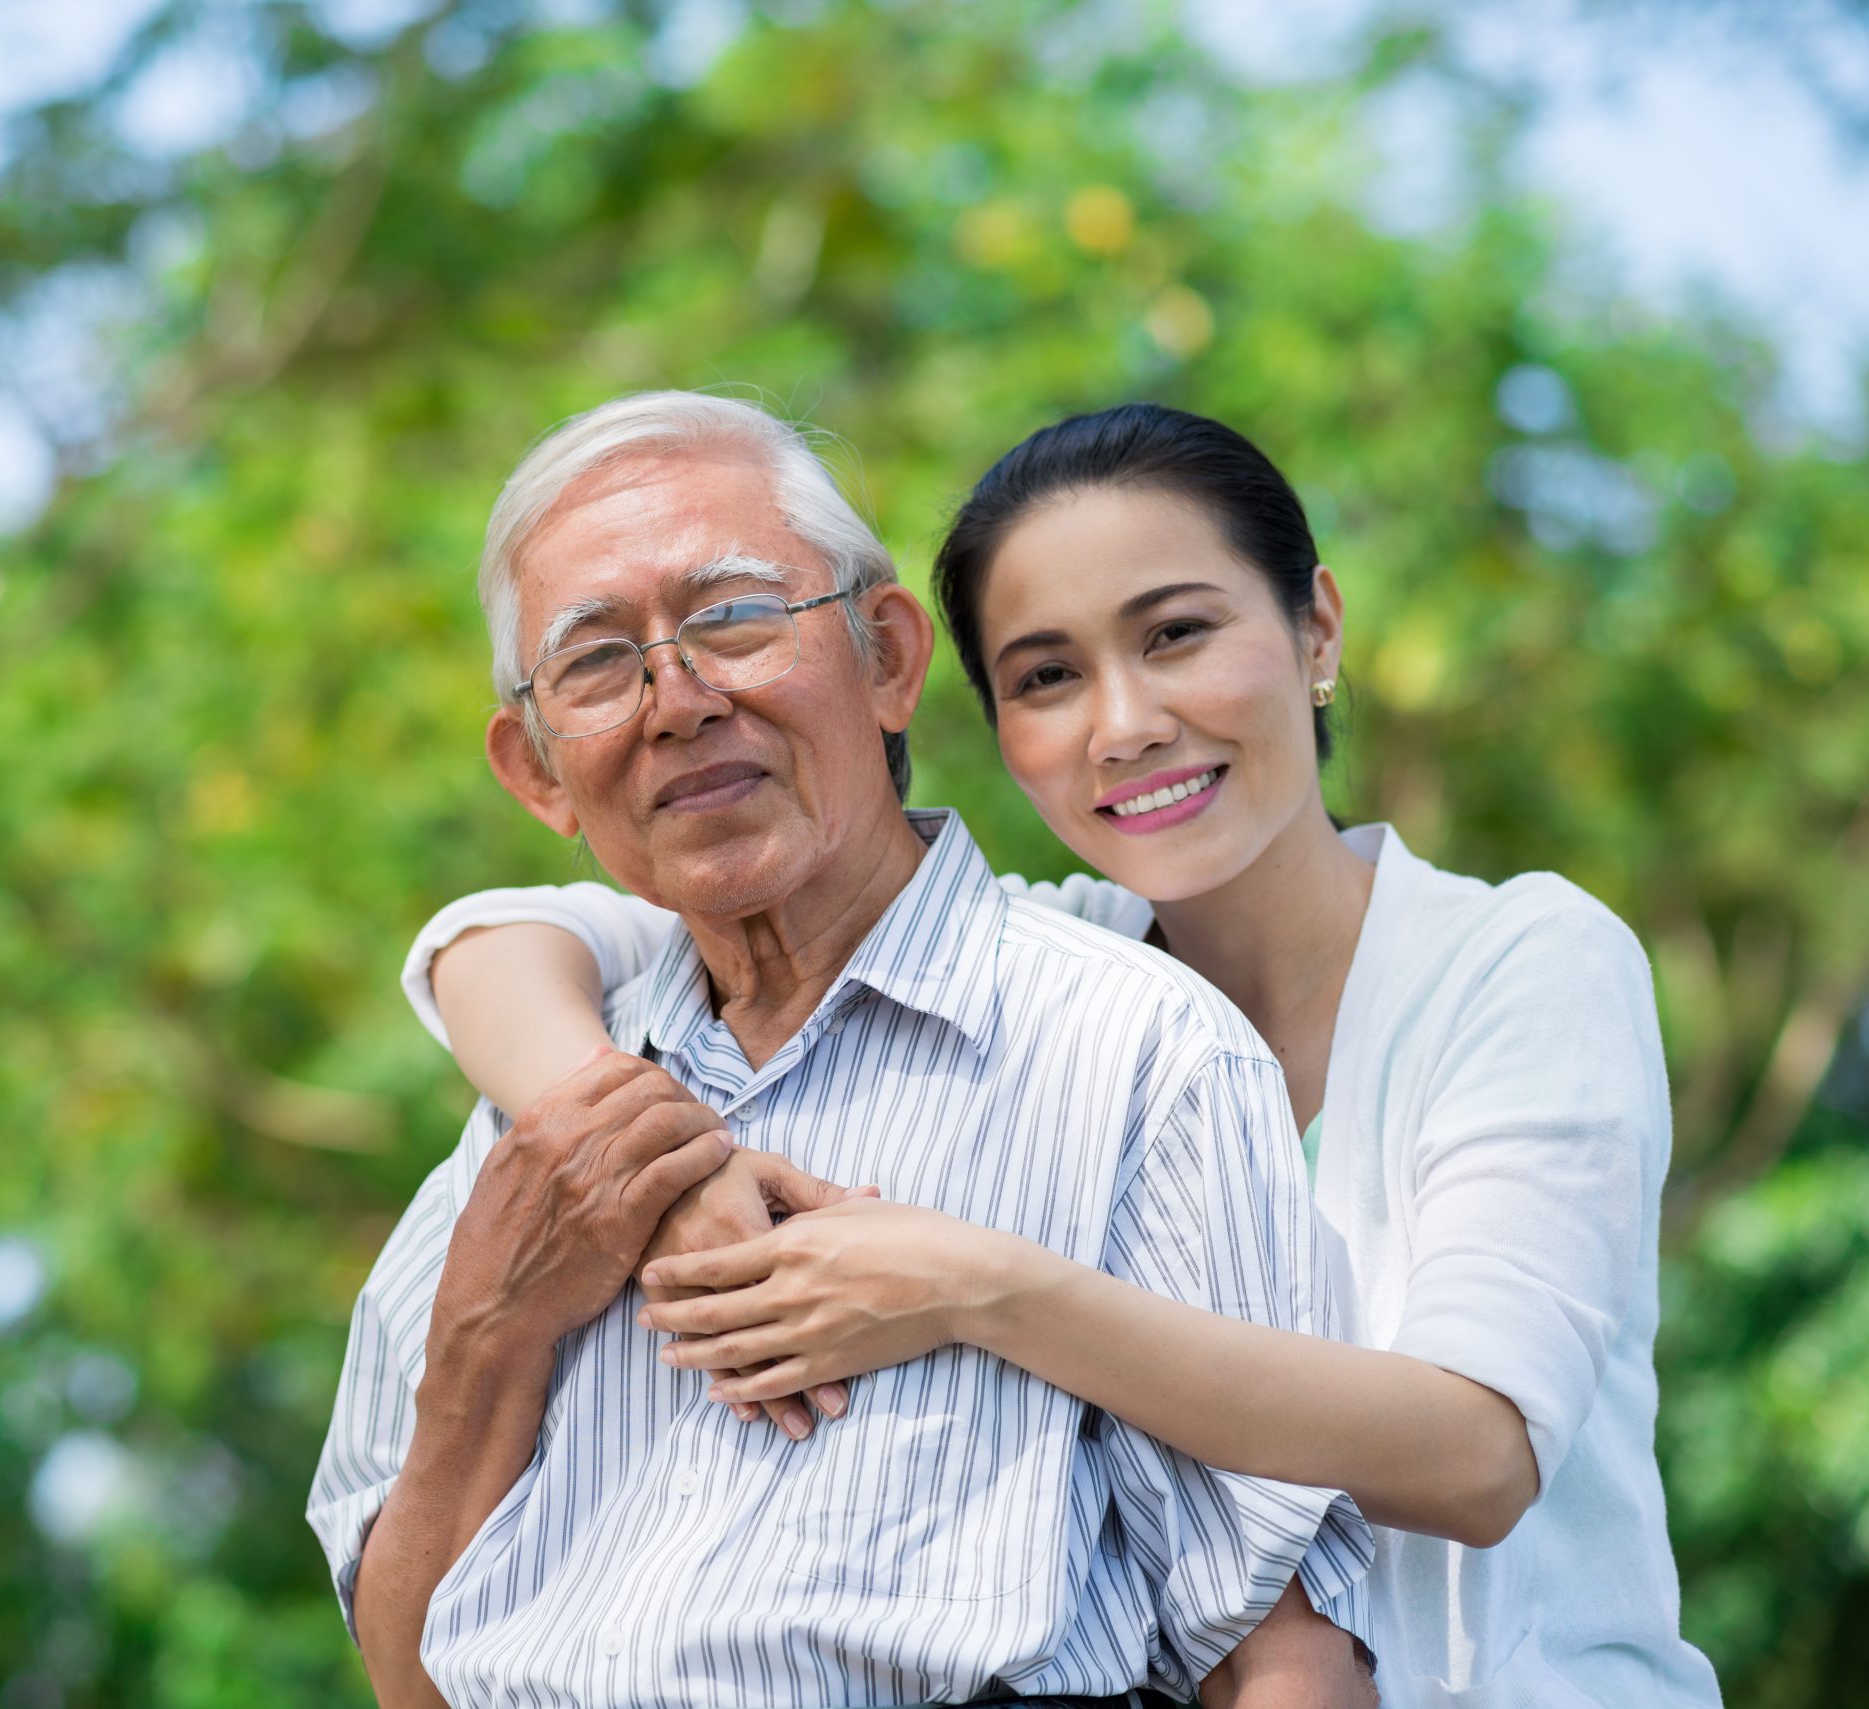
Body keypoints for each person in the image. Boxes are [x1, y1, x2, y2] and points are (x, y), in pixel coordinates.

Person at [403, 403, 1725, 1708]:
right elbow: (505, 934)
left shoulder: (1511, 961)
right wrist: (640, 1163)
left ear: (1316, 630)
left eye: (1179, 634)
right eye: (1046, 676)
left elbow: (1480, 1453)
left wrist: (975, 1284)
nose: (1125, 723)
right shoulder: (1058, 951)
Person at [307, 392, 1379, 1708]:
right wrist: (492, 1332)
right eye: (596, 663)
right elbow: (407, 1674)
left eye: (735, 617)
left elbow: (1280, 1651)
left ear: (884, 656)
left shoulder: (1129, 1047)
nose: (679, 700)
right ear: (536, 774)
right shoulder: (521, 1138)